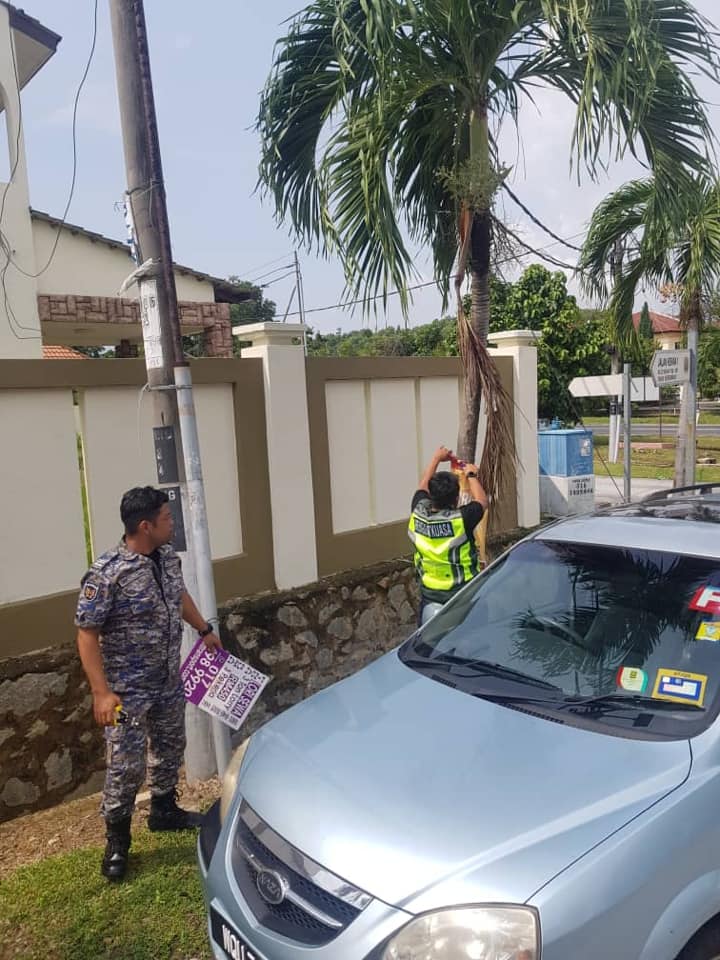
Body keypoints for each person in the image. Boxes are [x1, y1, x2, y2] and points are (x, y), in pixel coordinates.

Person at [75, 486, 222, 882]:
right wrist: (101, 693)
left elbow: (178, 596)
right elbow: (86, 634)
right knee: (125, 763)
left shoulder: (167, 559)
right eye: (166, 518)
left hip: (167, 681)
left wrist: (204, 628)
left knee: (172, 745)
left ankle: (163, 810)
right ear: (145, 526)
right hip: (127, 694)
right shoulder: (108, 574)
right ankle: (118, 841)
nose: (172, 523)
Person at [408, 446, 489, 622]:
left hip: (430, 593)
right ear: (456, 498)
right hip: (463, 594)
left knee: (428, 642)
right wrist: (472, 475)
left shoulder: (418, 512)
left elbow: (422, 487)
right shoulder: (461, 519)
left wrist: (436, 458)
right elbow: (482, 501)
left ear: (432, 495)